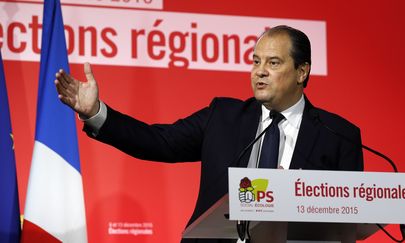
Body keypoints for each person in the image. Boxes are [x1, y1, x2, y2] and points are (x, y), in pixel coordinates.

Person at [55, 25, 363, 243]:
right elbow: (159, 142)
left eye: (273, 63)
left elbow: (345, 227)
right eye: (256, 62)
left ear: (302, 71)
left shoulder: (338, 136)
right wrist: (96, 112)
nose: (260, 71)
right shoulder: (223, 117)